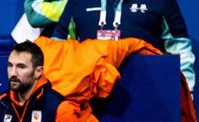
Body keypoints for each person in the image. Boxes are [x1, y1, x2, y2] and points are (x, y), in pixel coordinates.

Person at [52, 0, 195, 91]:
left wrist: (186, 91)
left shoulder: (161, 2)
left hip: (149, 94)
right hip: (87, 97)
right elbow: (58, 48)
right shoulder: (77, 2)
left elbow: (179, 47)